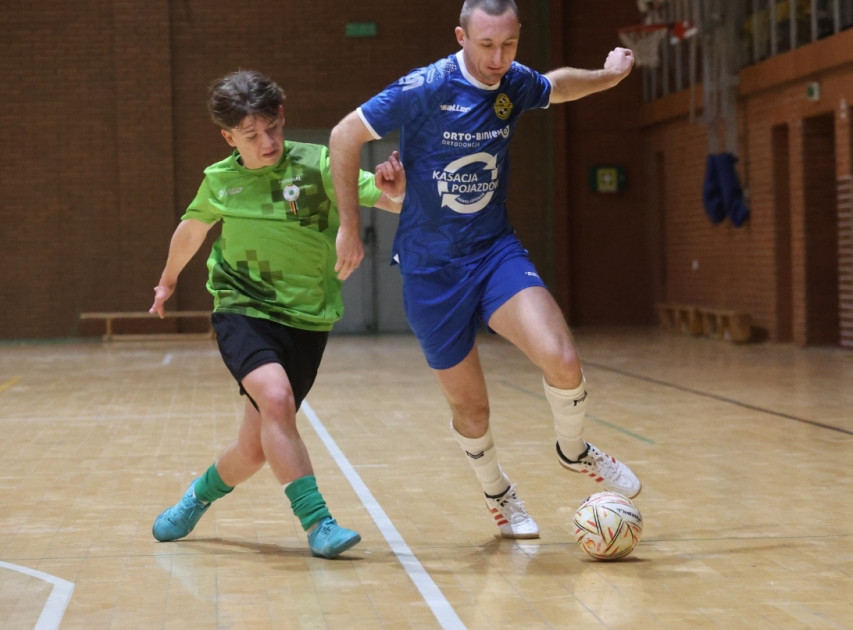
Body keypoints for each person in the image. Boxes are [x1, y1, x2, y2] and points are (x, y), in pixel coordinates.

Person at [328, 0, 639, 539]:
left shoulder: (513, 82)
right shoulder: (425, 87)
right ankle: (498, 493)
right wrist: (350, 228)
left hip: (493, 251)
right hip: (430, 270)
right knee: (473, 412)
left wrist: (607, 77)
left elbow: (556, 86)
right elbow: (342, 136)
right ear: (461, 37)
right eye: (487, 45)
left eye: (509, 45)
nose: (499, 59)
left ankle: (574, 450)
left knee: (563, 359)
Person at [149, 69, 406, 558]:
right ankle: (318, 524)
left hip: (307, 318)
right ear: (229, 138)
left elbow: (388, 199)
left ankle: (195, 498)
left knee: (253, 450)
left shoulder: (318, 164)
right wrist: (168, 279)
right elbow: (192, 230)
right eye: (251, 135)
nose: (266, 142)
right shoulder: (220, 181)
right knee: (275, 396)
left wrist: (395, 187)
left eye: (272, 128)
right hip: (242, 305)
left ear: (282, 117)